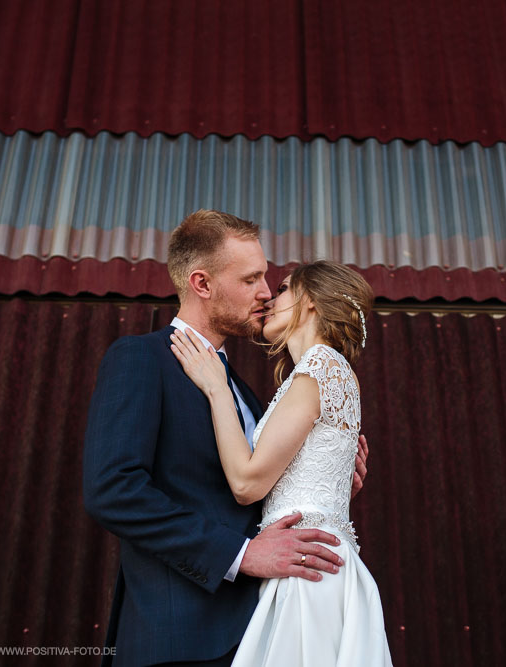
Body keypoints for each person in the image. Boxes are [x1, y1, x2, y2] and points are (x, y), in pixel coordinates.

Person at [83, 209, 368, 667]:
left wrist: (324, 474)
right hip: (181, 640)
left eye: (269, 280)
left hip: (265, 631)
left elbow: (250, 489)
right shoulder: (140, 360)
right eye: (251, 279)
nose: (264, 294)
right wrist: (241, 555)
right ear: (202, 283)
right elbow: (112, 491)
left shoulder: (250, 395)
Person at [169, 259, 393, 667]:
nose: (271, 297)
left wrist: (217, 388)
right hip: (312, 560)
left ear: (309, 302)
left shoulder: (319, 367)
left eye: (285, 288)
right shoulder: (324, 372)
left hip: (307, 567)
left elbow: (246, 483)